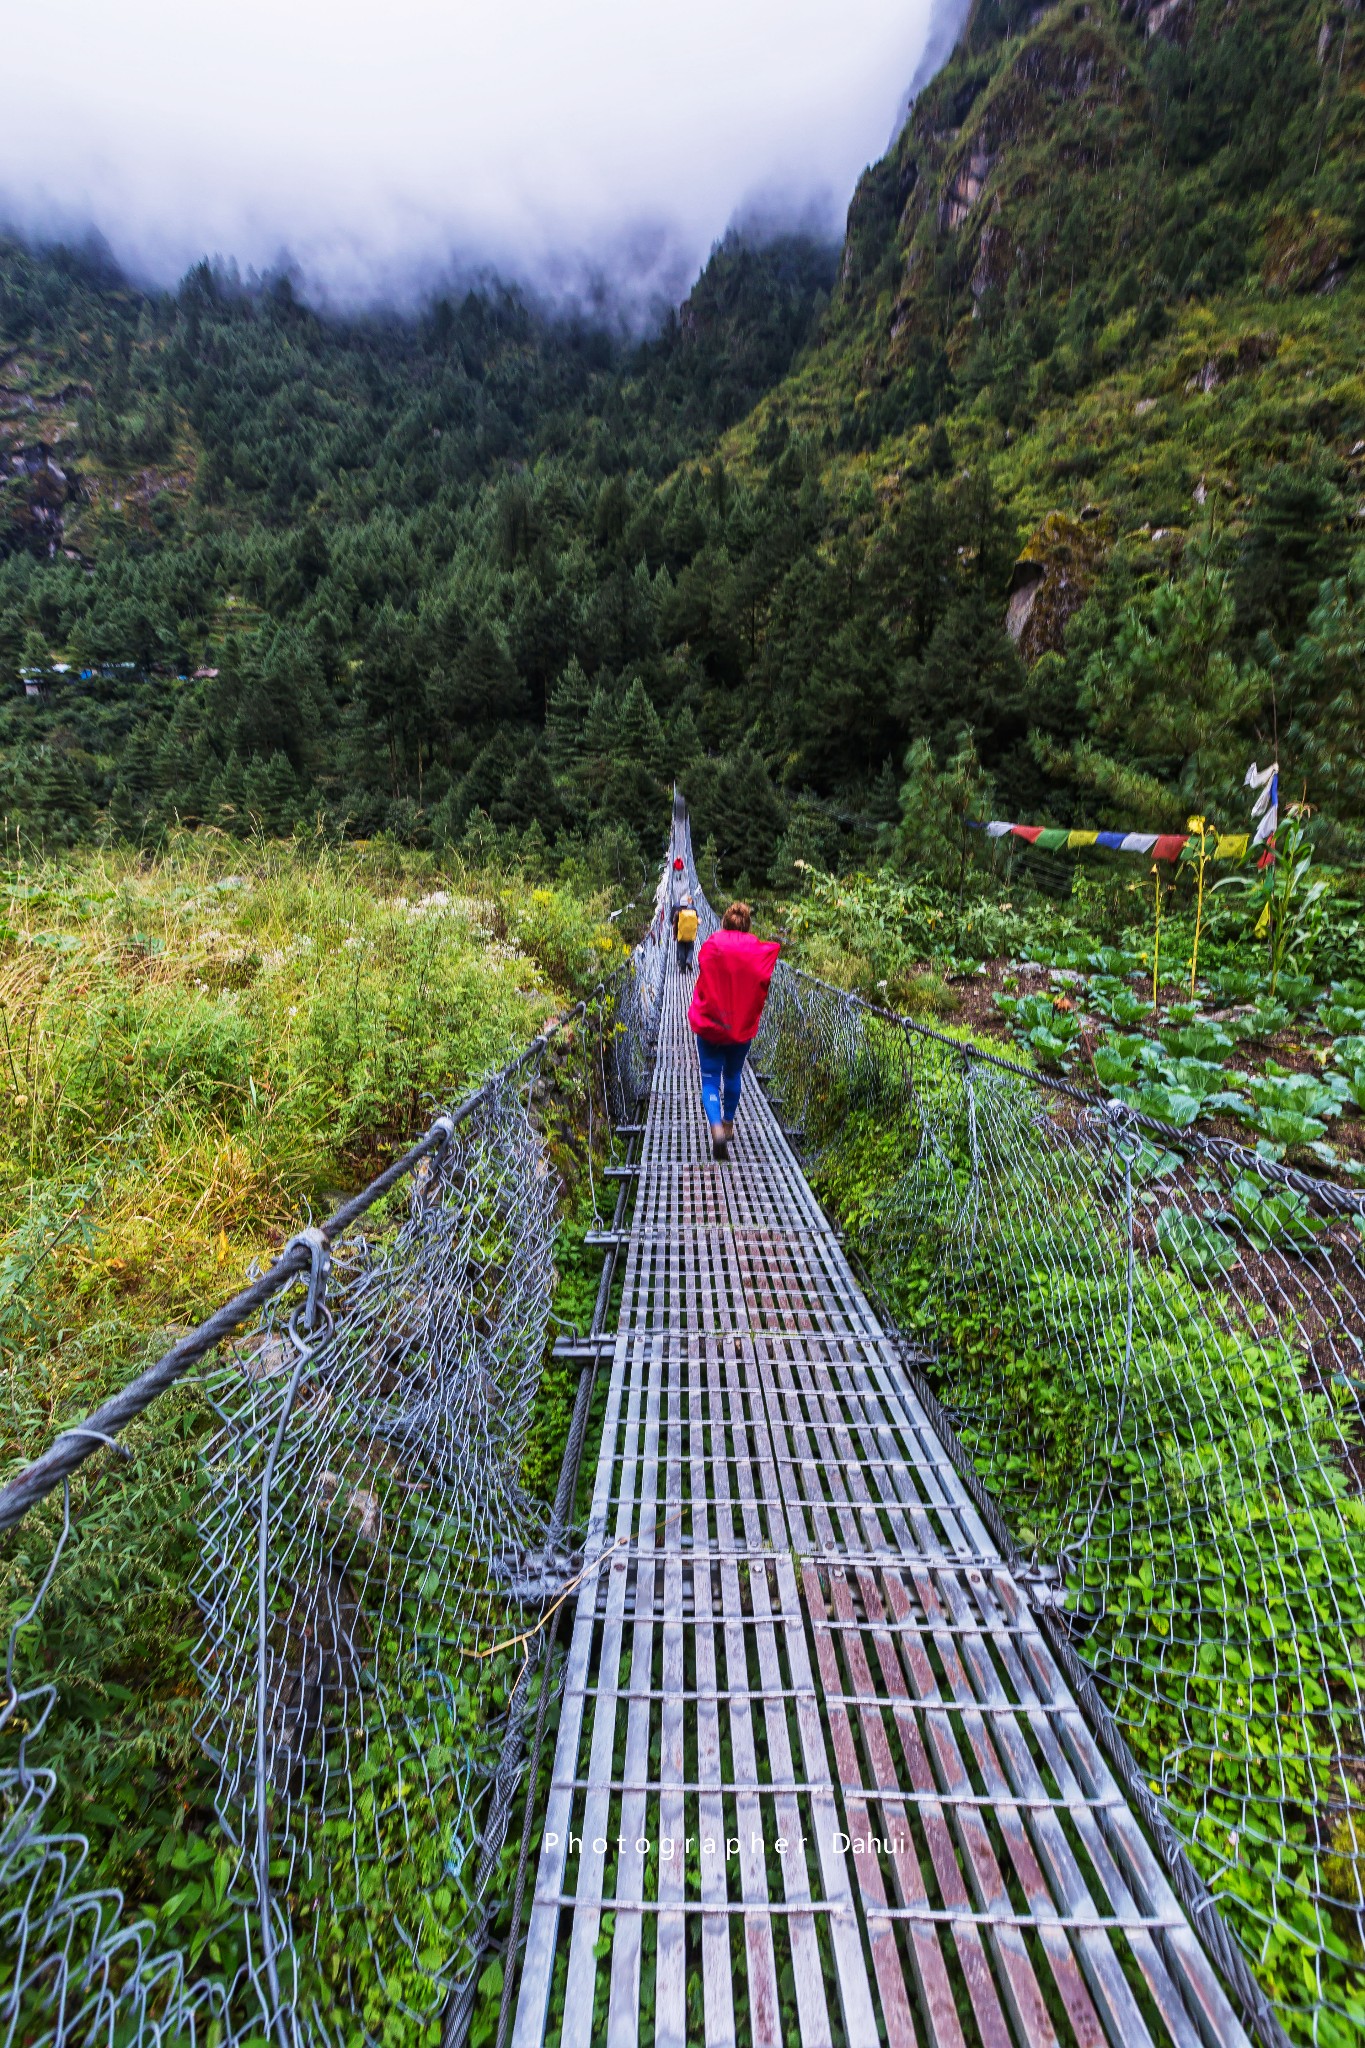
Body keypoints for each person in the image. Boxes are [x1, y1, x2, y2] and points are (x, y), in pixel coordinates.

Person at [687, 901, 780, 1160]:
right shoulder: (756, 949)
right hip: (740, 1027)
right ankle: (728, 1124)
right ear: (747, 925)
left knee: (709, 1079)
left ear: (724, 923)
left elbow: (703, 965)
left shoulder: (712, 944)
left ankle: (715, 1126)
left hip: (710, 1025)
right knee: (733, 1074)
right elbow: (770, 960)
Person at [672, 895, 699, 973]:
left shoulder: (678, 913)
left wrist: (674, 935)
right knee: (690, 949)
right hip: (690, 936)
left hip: (681, 935)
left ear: (680, 905)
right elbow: (697, 922)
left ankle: (683, 969)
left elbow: (674, 925)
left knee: (681, 951)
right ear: (687, 905)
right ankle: (689, 960)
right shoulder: (693, 912)